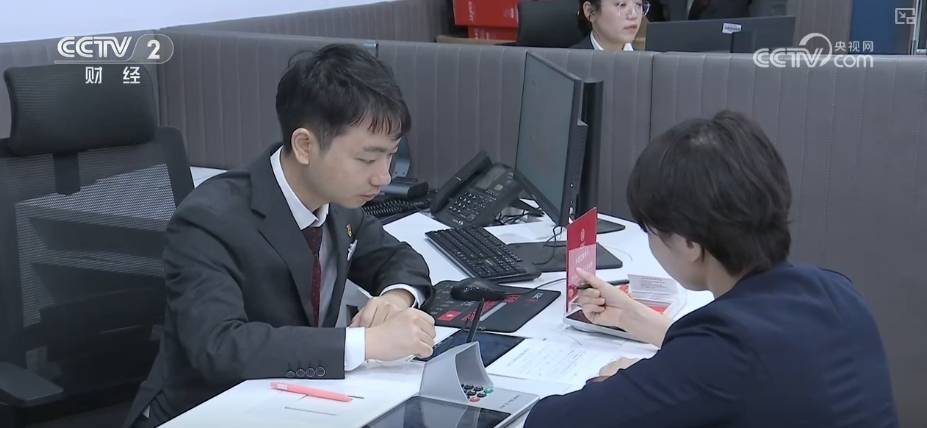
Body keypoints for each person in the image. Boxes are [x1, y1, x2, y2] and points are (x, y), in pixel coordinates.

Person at [123, 44, 437, 428]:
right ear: (305, 146)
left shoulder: (338, 201)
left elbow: (399, 258)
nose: (383, 177)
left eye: (390, 155)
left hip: (292, 402)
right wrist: (367, 344)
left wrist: (396, 297)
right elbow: (219, 346)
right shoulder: (209, 218)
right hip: (205, 412)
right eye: (367, 159)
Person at [524, 111, 898, 427]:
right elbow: (751, 362)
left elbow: (549, 421)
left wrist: (613, 383)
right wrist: (630, 317)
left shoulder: (723, 353)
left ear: (689, 243)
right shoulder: (835, 291)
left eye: (651, 231)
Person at [573, 0, 647, 51]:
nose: (633, 15)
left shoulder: (648, 63)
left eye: (638, 4)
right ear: (590, 11)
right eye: (621, 5)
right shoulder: (569, 63)